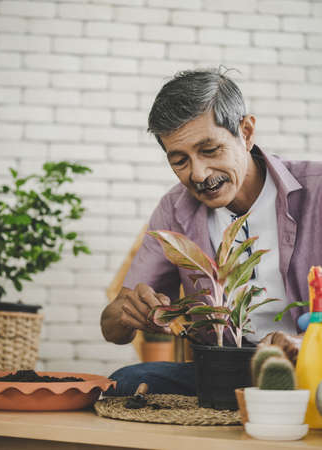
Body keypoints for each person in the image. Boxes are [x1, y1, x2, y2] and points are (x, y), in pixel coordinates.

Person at [101, 68, 315, 395]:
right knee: (124, 382)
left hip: (313, 367)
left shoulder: (317, 190)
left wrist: (303, 343)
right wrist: (127, 311)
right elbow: (113, 327)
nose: (199, 174)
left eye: (209, 150)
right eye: (180, 161)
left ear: (246, 132)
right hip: (226, 372)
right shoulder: (175, 209)